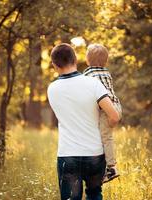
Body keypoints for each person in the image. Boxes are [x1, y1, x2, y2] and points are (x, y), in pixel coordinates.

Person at [47, 43, 120, 200]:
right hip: (95, 154)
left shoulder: (52, 89)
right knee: (94, 195)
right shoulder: (94, 84)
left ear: (54, 65)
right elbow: (114, 116)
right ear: (75, 59)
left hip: (68, 155)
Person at [84, 44, 122, 183]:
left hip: (107, 109)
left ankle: (111, 168)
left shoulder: (88, 74)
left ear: (87, 60)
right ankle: (107, 166)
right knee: (106, 136)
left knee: (106, 138)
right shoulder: (107, 73)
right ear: (105, 61)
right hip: (116, 105)